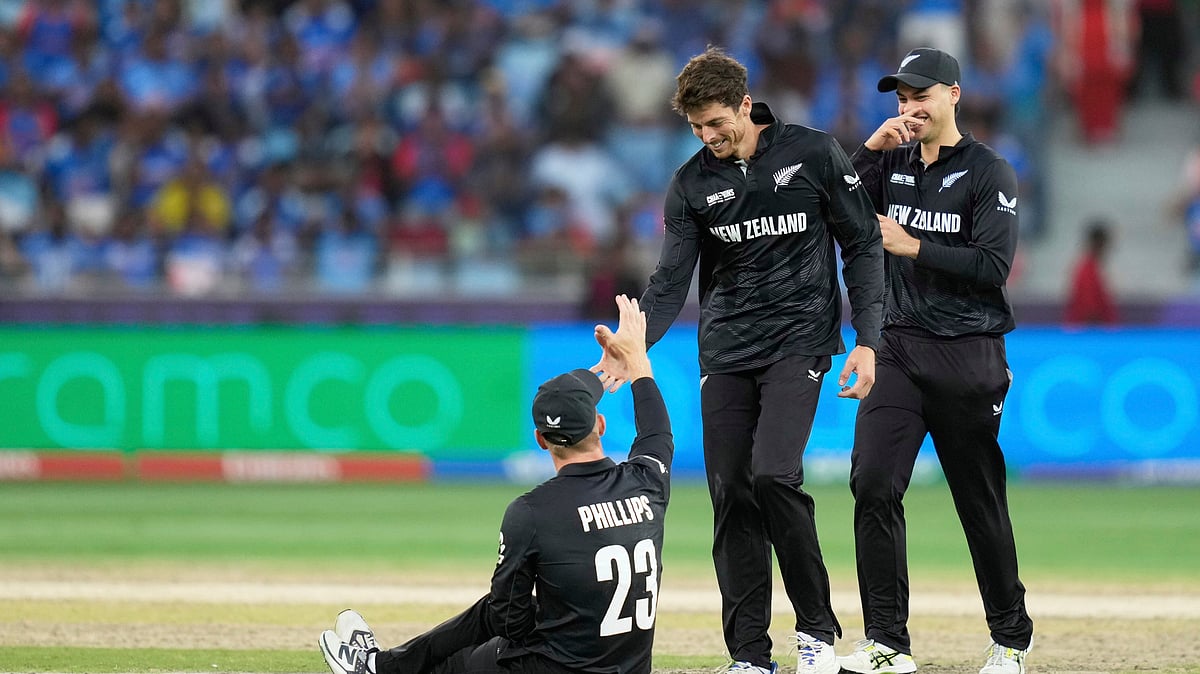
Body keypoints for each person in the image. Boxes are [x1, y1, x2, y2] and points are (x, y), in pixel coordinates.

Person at [607, 46, 885, 674]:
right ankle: (750, 657)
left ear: (743, 104)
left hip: (800, 341)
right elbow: (671, 279)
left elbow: (864, 245)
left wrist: (868, 339)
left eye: (716, 124)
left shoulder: (812, 153)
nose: (709, 138)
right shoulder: (691, 184)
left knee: (772, 475)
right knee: (730, 490)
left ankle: (816, 634)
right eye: (697, 129)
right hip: (727, 349)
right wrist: (635, 344)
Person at [319, 294, 674, 674]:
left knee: (465, 652)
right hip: (632, 668)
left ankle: (377, 669)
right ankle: (380, 666)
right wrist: (637, 361)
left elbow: (508, 622)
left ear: (540, 439)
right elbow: (657, 430)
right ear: (600, 426)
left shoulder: (532, 511)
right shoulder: (646, 483)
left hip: (552, 668)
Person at [838, 47, 1034, 674]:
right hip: (896, 347)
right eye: (900, 98)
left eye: (919, 95)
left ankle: (1010, 638)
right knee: (871, 484)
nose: (907, 108)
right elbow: (824, 205)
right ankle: (887, 645)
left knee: (977, 502)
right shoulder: (889, 163)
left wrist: (913, 245)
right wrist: (868, 151)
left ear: (953, 94)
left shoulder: (988, 171)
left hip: (968, 354)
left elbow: (993, 267)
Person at [1064, 218, 1118, 325]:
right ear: (1099, 244)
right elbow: (1089, 310)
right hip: (1089, 334)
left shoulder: (1092, 268)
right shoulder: (1087, 270)